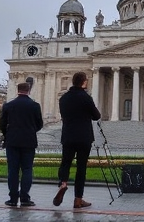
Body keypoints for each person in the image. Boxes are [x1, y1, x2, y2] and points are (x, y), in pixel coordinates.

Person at [53, 71, 101, 209]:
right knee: (81, 168)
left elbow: (64, 115)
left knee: (65, 163)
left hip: (68, 135)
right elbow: (96, 116)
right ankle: (78, 200)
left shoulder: (63, 98)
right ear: (84, 82)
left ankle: (63, 183)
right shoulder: (85, 97)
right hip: (83, 137)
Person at [0, 82, 43, 207]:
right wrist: (31, 130)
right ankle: (25, 198)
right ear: (29, 90)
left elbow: (2, 123)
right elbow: (39, 123)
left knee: (13, 170)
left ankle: (13, 198)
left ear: (17, 90)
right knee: (27, 169)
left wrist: (8, 133)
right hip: (29, 140)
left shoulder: (8, 105)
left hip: (12, 140)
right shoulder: (35, 105)